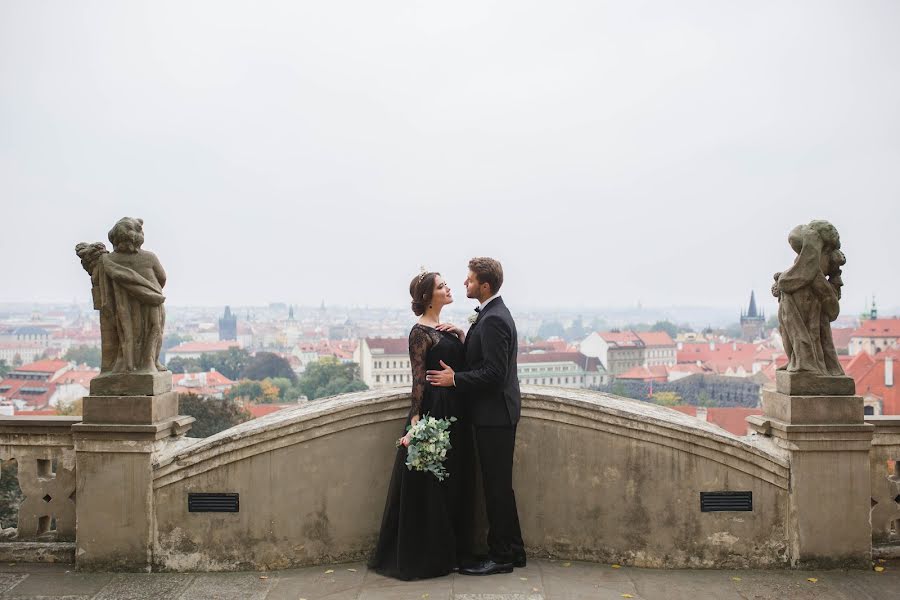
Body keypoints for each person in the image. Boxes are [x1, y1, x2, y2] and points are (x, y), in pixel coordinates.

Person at [368, 270, 473, 580]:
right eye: (442, 286)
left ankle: (451, 550)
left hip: (455, 409)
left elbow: (463, 368)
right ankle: (428, 555)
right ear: (428, 297)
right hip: (434, 410)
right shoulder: (419, 332)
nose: (449, 287)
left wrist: (462, 337)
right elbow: (418, 380)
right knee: (429, 485)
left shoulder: (449, 330)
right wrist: (415, 421)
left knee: (453, 480)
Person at [427, 257, 525, 576]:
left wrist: (455, 379)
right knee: (499, 487)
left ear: (484, 285)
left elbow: (495, 373)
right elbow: (487, 354)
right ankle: (514, 551)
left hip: (495, 415)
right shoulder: (491, 315)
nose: (465, 283)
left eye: (469, 280)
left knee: (496, 488)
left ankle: (501, 557)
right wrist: (464, 335)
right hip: (496, 413)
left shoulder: (494, 319)